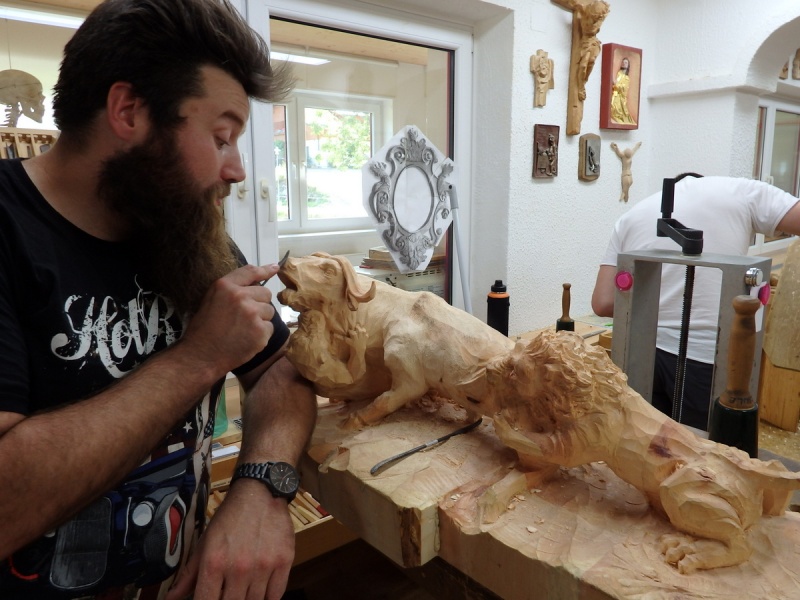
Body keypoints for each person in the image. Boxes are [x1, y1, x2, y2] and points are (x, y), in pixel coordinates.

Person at [0, 1, 318, 599]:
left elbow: (280, 369)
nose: (237, 170)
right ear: (129, 111)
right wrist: (199, 359)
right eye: (221, 137)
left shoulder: (184, 228)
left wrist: (260, 486)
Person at [592, 175, 800, 430]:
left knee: (643, 441)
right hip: (709, 360)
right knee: (706, 450)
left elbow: (602, 303)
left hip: (639, 355)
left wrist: (657, 306)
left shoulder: (632, 215)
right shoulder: (744, 192)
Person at [610, 57, 636, 125]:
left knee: (617, 110)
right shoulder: (619, 73)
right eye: (623, 62)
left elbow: (624, 88)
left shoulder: (626, 78)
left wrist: (615, 84)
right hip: (615, 94)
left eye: (626, 63)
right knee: (613, 108)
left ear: (628, 65)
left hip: (620, 97)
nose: (624, 64)